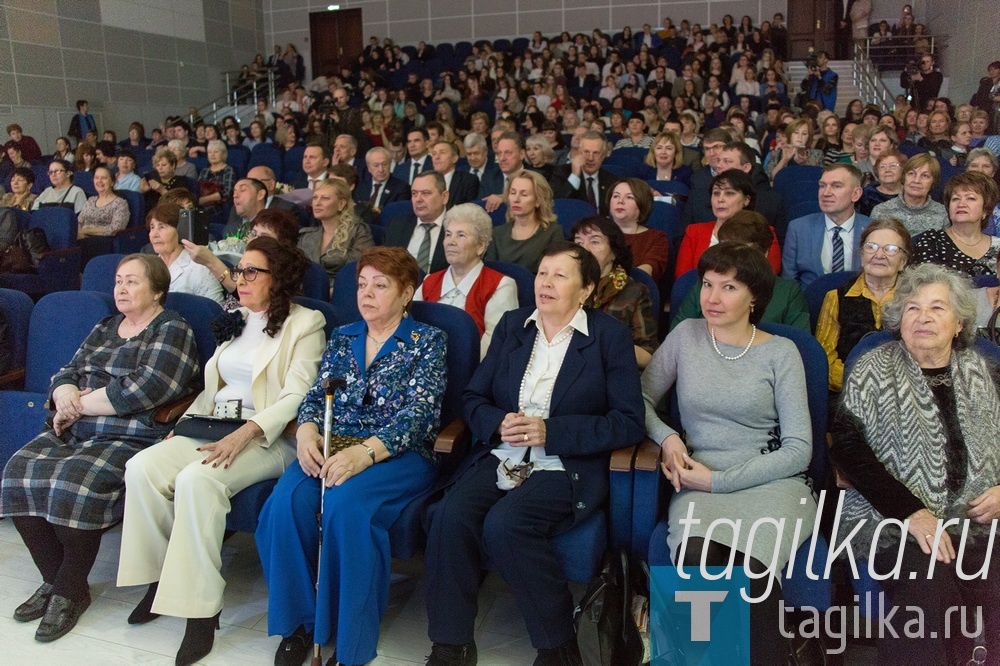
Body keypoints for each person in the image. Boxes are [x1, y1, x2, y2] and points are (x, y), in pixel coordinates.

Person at [424, 241, 645, 666]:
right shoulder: (513, 326)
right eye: (542, 273)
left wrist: (551, 431)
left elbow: (628, 421)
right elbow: (473, 397)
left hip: (565, 461)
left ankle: (558, 645)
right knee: (449, 515)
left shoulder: (608, 337)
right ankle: (451, 643)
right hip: (503, 452)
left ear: (585, 291)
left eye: (560, 276)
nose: (545, 282)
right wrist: (496, 422)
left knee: (507, 524)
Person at [116, 238, 325, 666]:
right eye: (240, 269)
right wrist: (178, 428)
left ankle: (201, 612)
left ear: (277, 278)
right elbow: (213, 387)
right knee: (142, 467)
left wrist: (248, 431)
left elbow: (298, 396)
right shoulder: (236, 317)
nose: (239, 278)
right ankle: (158, 582)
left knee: (198, 478)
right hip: (214, 425)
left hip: (270, 435)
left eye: (252, 271)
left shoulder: (307, 323)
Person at [254, 246, 445, 666]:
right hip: (334, 446)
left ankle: (352, 642)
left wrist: (365, 453)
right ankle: (300, 625)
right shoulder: (344, 337)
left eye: (381, 285)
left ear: (407, 292)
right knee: (284, 505)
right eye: (362, 284)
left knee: (345, 507)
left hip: (397, 455)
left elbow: (420, 416)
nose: (368, 293)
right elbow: (315, 396)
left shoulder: (427, 341)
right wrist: (305, 432)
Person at [1, 254, 198, 642]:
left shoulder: (172, 328)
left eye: (132, 282)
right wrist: (63, 391)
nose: (121, 289)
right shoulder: (106, 326)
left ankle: (69, 589)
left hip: (130, 433)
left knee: (74, 482)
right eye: (118, 282)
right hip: (75, 426)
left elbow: (149, 388)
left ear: (158, 290)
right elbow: (67, 370)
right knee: (17, 473)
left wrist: (75, 405)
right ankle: (59, 583)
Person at [643, 241, 815, 665]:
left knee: (751, 573)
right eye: (707, 284)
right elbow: (638, 400)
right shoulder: (685, 336)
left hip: (772, 483)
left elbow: (799, 450)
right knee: (699, 558)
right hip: (700, 480)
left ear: (754, 297)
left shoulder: (781, 352)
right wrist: (667, 437)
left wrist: (718, 480)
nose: (712, 298)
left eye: (729, 287)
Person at [830, 263, 1000, 666]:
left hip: (983, 516)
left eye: (937, 308)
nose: (923, 317)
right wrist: (910, 511)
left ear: (959, 323)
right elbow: (849, 449)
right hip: (892, 520)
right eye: (912, 308)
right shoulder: (873, 368)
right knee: (928, 585)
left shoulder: (987, 371)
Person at [672, 211, 810, 333]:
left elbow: (799, 345)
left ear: (765, 254)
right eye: (725, 250)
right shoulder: (706, 284)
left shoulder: (788, 292)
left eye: (743, 255)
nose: (733, 261)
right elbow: (677, 335)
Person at [816, 218, 912, 392]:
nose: (879, 255)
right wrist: (861, 382)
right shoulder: (836, 297)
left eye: (890, 249)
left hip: (904, 393)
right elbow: (824, 360)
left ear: (903, 262)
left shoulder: (915, 300)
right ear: (862, 255)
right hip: (849, 394)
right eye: (871, 247)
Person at [414, 204, 518, 359]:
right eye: (448, 234)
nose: (451, 241)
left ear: (481, 246)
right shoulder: (430, 280)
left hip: (469, 375)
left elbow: (495, 348)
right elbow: (409, 326)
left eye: (461, 235)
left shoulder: (500, 286)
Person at [572, 215, 657, 368]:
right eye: (578, 242)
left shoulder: (634, 292)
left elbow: (648, 356)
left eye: (595, 241)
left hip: (613, 371)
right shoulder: (566, 288)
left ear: (614, 252)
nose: (584, 249)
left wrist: (602, 343)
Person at [676, 169, 781, 277]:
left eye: (729, 193)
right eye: (716, 193)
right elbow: (683, 279)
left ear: (746, 200)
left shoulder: (762, 232)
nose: (720, 199)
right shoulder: (694, 232)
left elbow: (768, 276)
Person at [782, 163, 872, 287]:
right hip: (810, 304)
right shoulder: (798, 228)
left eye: (836, 186)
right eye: (822, 186)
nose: (826, 193)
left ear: (856, 194)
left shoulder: (872, 230)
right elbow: (789, 283)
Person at [913, 171, 1000, 278]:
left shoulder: (998, 246)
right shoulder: (932, 241)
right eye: (955, 199)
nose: (961, 204)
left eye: (970, 198)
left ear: (985, 209)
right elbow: (926, 285)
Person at [298, 178, 375, 290]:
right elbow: (296, 271)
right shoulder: (306, 236)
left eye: (325, 198)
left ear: (341, 204)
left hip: (341, 294)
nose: (317, 203)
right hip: (306, 293)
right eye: (315, 197)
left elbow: (353, 273)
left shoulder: (358, 232)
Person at [484, 170, 565, 273]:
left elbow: (555, 272)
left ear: (538, 201)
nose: (516, 199)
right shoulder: (497, 233)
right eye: (513, 193)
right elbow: (489, 272)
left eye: (524, 194)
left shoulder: (553, 232)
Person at [147, 202, 225, 304]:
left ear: (181, 230)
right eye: (152, 227)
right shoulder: (149, 267)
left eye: (162, 227)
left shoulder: (200, 268)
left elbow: (216, 310)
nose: (154, 234)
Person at [607, 178, 670, 281]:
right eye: (616, 196)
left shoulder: (656, 238)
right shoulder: (596, 231)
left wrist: (613, 284)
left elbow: (645, 273)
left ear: (642, 203)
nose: (620, 201)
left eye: (629, 197)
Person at [871, 153, 948, 236]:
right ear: (904, 177)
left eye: (925, 176)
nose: (916, 180)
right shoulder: (881, 211)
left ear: (933, 182)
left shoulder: (942, 214)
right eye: (911, 173)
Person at [77, 165, 130, 239]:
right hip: (82, 237)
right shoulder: (90, 200)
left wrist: (86, 231)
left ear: (112, 182)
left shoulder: (120, 203)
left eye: (104, 178)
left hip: (104, 240)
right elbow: (79, 223)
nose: (99, 181)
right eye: (96, 178)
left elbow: (116, 229)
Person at [858, 150, 904, 216]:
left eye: (893, 166)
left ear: (903, 169)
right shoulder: (866, 195)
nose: (887, 170)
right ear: (877, 172)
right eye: (882, 166)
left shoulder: (910, 193)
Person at [966, 148, 1000, 235]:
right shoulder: (956, 196)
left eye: (986, 166)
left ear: (993, 172)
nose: (980, 170)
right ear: (967, 170)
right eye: (974, 165)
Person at [196, 140, 235, 213]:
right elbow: (197, 189)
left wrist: (204, 200)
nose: (212, 155)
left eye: (216, 152)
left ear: (223, 154)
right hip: (201, 207)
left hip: (219, 208)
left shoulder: (228, 170)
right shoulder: (204, 170)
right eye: (210, 152)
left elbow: (227, 192)